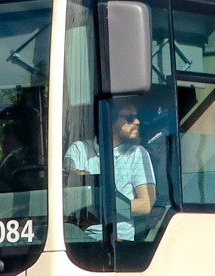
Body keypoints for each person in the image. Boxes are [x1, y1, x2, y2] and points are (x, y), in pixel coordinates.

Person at [65, 103, 157, 240]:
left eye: (137, 116)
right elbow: (65, 193)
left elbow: (147, 203)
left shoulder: (137, 153)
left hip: (120, 240)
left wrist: (102, 208)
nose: (137, 121)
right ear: (110, 120)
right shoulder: (79, 150)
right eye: (130, 118)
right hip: (78, 238)